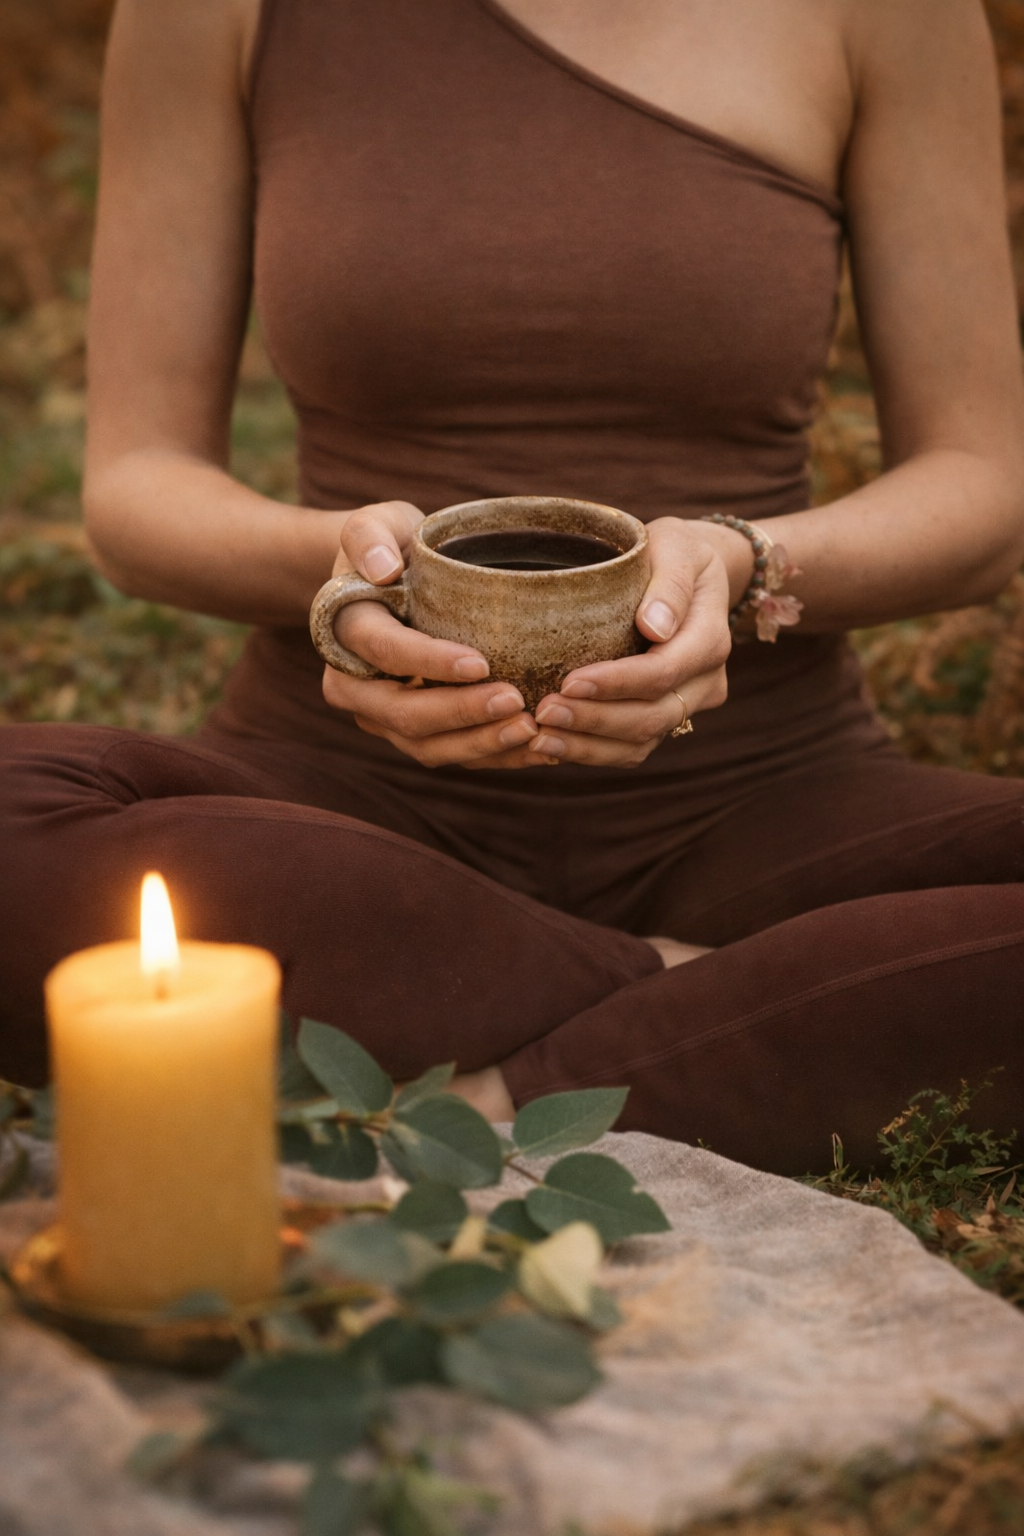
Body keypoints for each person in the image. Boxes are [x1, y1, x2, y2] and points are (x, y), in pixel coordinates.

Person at [2, 0, 1023, 1174]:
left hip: (757, 802)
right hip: (341, 817)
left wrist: (740, 569)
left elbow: (980, 490)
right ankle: (707, 994)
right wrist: (347, 578)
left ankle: (497, 1078)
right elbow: (135, 487)